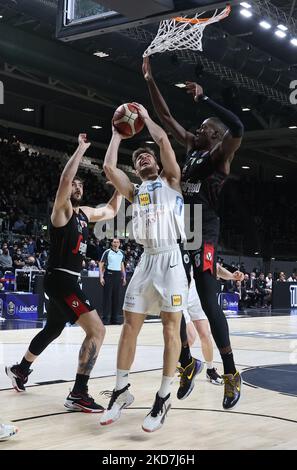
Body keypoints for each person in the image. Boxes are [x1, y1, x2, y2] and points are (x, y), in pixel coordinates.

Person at [143, 57, 244, 409]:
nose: (196, 129)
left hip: (206, 229)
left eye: (202, 127)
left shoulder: (219, 155)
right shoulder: (189, 150)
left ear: (214, 135)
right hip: (181, 228)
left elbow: (239, 127)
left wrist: (206, 100)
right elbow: (166, 117)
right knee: (170, 295)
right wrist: (150, 80)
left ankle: (231, 371)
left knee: (206, 297)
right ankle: (187, 360)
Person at [5, 134, 122, 412]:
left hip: (64, 281)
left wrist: (120, 185)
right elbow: (65, 181)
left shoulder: (83, 214)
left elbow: (112, 209)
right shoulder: (62, 211)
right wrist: (81, 149)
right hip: (61, 279)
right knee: (97, 330)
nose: (77, 185)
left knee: (54, 327)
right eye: (75, 183)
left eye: (81, 183)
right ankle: (78, 393)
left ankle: (21, 369)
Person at [100, 103, 189, 432]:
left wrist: (147, 119)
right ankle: (121, 390)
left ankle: (163, 397)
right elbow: (110, 169)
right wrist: (115, 135)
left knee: (170, 330)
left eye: (146, 155)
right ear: (135, 169)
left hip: (171, 259)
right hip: (146, 260)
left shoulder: (171, 181)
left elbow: (164, 142)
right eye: (138, 159)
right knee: (129, 326)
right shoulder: (135, 192)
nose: (144, 158)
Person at [182, 264, 244, 386]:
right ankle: (183, 364)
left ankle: (210, 370)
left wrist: (232, 276)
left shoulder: (200, 246)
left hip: (196, 292)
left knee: (205, 334)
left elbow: (217, 268)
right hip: (180, 293)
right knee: (190, 336)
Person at [99, 238, 126, 325]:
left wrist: (124, 277)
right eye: (114, 242)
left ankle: (115, 319)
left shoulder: (122, 253)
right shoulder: (107, 252)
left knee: (116, 298)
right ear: (112, 243)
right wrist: (101, 277)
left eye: (117, 242)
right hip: (109, 274)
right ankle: (105, 319)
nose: (116, 243)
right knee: (107, 298)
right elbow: (101, 264)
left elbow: (122, 265)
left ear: (119, 243)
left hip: (118, 276)